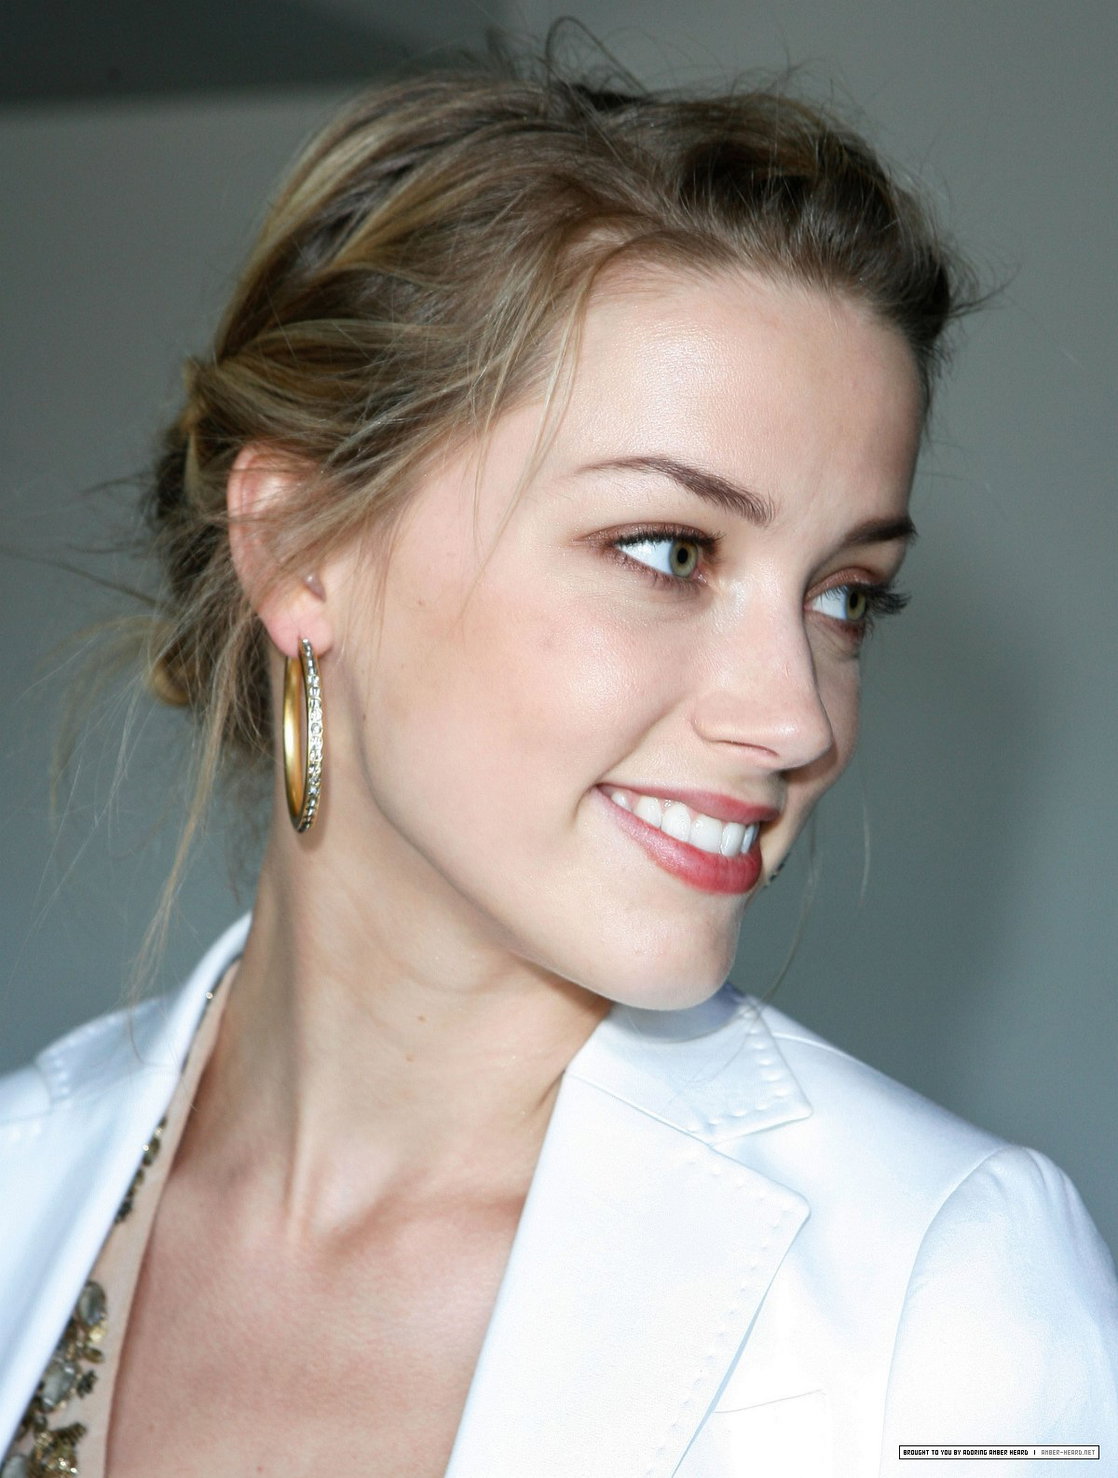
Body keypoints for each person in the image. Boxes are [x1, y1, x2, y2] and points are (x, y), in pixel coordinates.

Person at [0, 47, 1115, 1478]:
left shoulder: (945, 1298)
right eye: (669, 550)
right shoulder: (22, 1178)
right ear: (297, 547)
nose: (798, 720)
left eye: (845, 597)